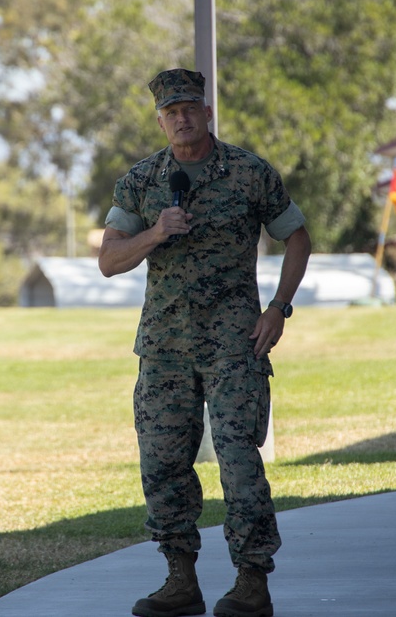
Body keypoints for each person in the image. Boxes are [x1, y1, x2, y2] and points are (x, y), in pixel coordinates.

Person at [98, 68, 311, 617]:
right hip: (165, 346)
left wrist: (279, 308)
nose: (181, 118)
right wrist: (155, 232)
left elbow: (298, 237)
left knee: (239, 460)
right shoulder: (141, 181)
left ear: (207, 111)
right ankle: (179, 580)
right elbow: (108, 261)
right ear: (160, 119)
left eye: (190, 107)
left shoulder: (248, 172)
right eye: (171, 112)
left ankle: (251, 582)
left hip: (235, 343)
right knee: (163, 462)